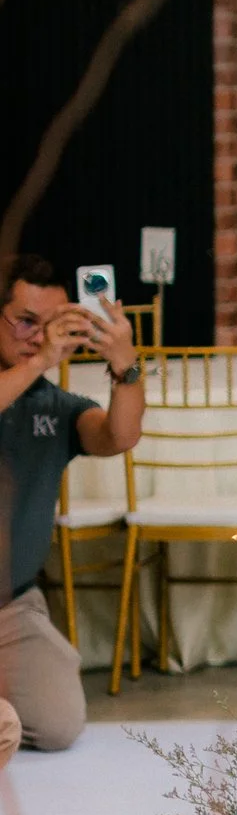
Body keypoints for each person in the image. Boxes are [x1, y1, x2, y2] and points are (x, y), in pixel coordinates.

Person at [0, 256, 142, 759]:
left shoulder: (52, 404)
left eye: (55, 325)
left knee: (59, 725)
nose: (39, 337)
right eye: (25, 321)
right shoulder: (26, 376)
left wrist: (127, 365)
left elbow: (120, 435)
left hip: (9, 608)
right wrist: (39, 360)